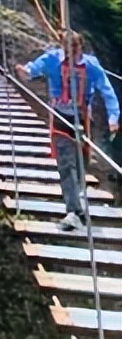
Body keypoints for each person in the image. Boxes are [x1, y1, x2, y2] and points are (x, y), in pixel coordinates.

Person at [15, 31, 120, 231]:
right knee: (66, 163)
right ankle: (72, 211)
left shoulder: (91, 66)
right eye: (68, 48)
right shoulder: (52, 59)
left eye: (75, 48)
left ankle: (77, 208)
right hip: (61, 117)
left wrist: (113, 118)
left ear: (81, 47)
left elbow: (107, 91)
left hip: (82, 118)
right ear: (63, 47)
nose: (72, 52)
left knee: (81, 165)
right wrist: (24, 72)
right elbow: (33, 70)